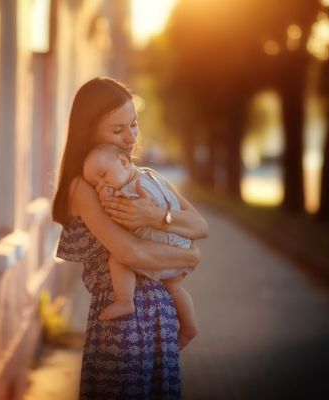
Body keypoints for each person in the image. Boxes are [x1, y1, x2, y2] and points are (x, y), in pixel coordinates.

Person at [52, 77, 208, 399]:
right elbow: (131, 253)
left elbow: (199, 225)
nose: (131, 137)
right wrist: (189, 256)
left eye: (133, 124)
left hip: (161, 315)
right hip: (124, 323)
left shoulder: (145, 177)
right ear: (90, 130)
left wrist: (156, 217)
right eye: (117, 130)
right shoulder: (85, 187)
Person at [82, 143, 199, 349]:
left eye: (104, 175)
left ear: (124, 162)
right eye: (96, 184)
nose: (102, 185)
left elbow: (123, 222)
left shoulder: (129, 192)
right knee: (175, 287)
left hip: (160, 246)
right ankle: (189, 326)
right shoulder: (151, 176)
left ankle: (125, 300)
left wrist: (108, 202)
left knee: (118, 256)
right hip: (180, 243)